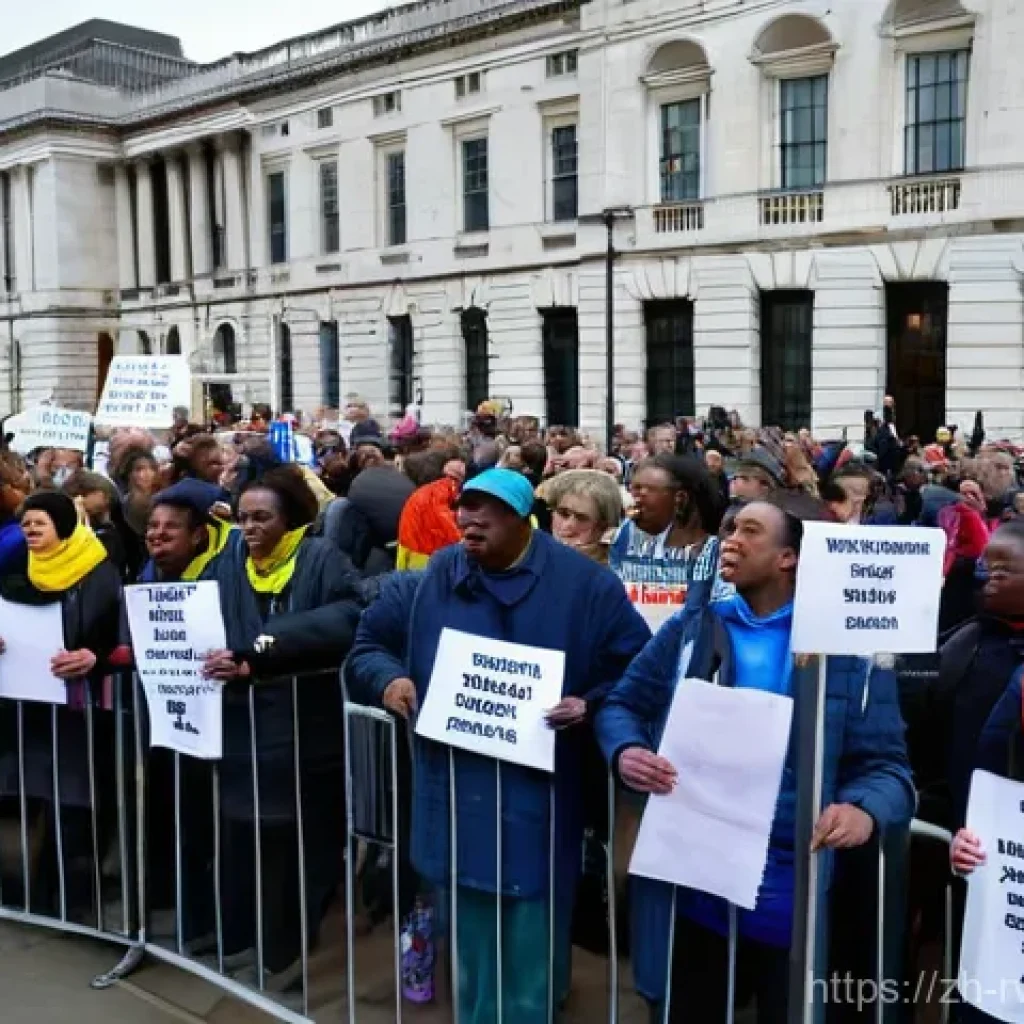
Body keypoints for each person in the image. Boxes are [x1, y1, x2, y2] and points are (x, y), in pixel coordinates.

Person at [594, 496, 915, 1023]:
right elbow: (623, 704)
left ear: (789, 557)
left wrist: (864, 810)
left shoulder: (853, 650)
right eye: (728, 529)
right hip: (697, 876)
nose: (731, 541)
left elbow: (891, 770)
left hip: (796, 884)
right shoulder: (695, 626)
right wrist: (627, 751)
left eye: (749, 531)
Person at [346, 468, 651, 1024]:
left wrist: (590, 701)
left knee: (533, 920)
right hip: (456, 791)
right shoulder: (435, 575)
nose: (470, 519)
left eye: (489, 511)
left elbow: (638, 666)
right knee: (470, 922)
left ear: (523, 521)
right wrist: (390, 680)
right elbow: (367, 644)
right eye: (465, 507)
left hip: (539, 796)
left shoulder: (586, 586)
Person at [201, 465, 364, 990]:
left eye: (262, 517)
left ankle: (287, 953)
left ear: (289, 518)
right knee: (245, 844)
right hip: (242, 735)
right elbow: (198, 617)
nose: (249, 527)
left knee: (299, 850)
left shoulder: (321, 558)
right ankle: (244, 941)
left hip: (304, 734)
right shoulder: (227, 561)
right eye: (243, 517)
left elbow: (346, 616)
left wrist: (266, 646)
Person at [0, 491, 122, 913]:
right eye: (26, 524)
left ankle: (71, 897)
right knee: (29, 794)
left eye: (40, 523)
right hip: (28, 706)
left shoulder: (98, 569)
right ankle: (27, 893)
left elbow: (117, 633)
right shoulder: (16, 566)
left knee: (74, 799)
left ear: (64, 526)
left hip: (81, 705)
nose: (31, 531)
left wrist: (94, 655)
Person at [609, 454, 724, 630]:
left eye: (644, 489)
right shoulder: (624, 534)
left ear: (680, 498)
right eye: (633, 488)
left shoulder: (712, 552)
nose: (635, 498)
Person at [545, 469, 623, 564]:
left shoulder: (616, 569)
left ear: (604, 526)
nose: (569, 524)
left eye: (581, 518)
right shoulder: (535, 557)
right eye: (563, 514)